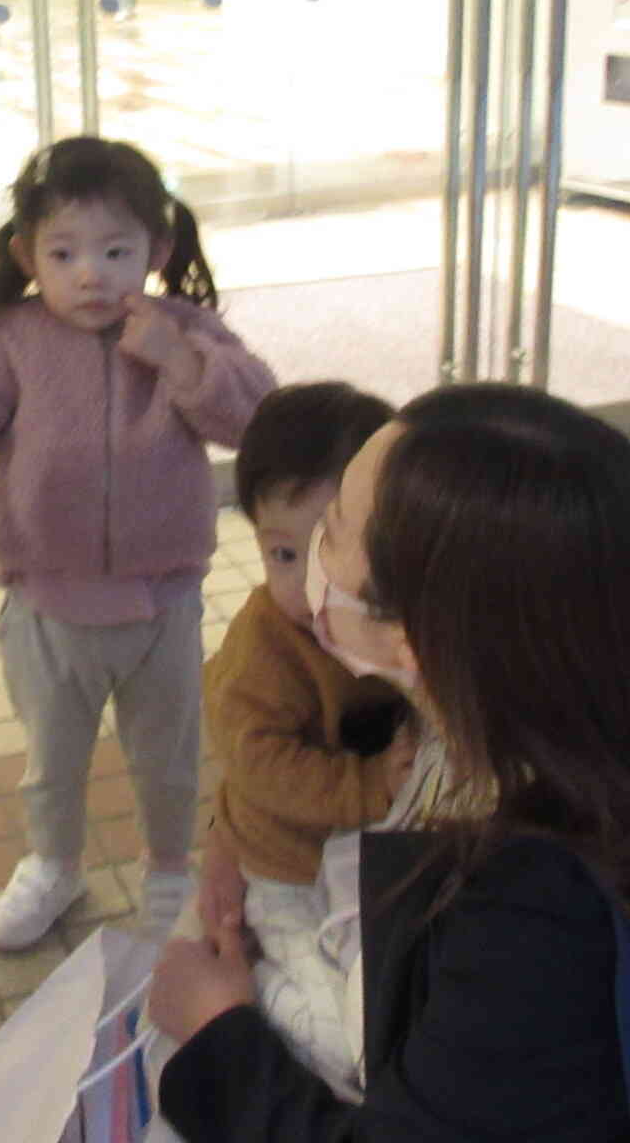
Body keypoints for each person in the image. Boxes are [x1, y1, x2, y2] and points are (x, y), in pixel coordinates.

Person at [148, 384, 630, 1142]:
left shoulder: (540, 912)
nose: (309, 567)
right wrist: (231, 835)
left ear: (415, 634)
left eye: (334, 532)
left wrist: (217, 1024)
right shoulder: (594, 736)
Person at [0, 137, 275, 950]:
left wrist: (179, 358)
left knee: (169, 757)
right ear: (27, 255)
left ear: (157, 250)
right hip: (47, 608)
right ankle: (53, 863)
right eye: (65, 252)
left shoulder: (185, 329)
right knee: (52, 762)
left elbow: (259, 420)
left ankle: (169, 869)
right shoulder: (7, 342)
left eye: (117, 251)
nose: (92, 274)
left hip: (165, 603)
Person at [196, 381, 412, 1094]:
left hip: (360, 860)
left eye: (332, 551)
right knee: (344, 1048)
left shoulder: (400, 619)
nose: (308, 586)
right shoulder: (263, 649)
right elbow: (258, 765)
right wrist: (370, 785)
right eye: (283, 555)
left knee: (379, 995)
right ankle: (245, 990)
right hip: (284, 869)